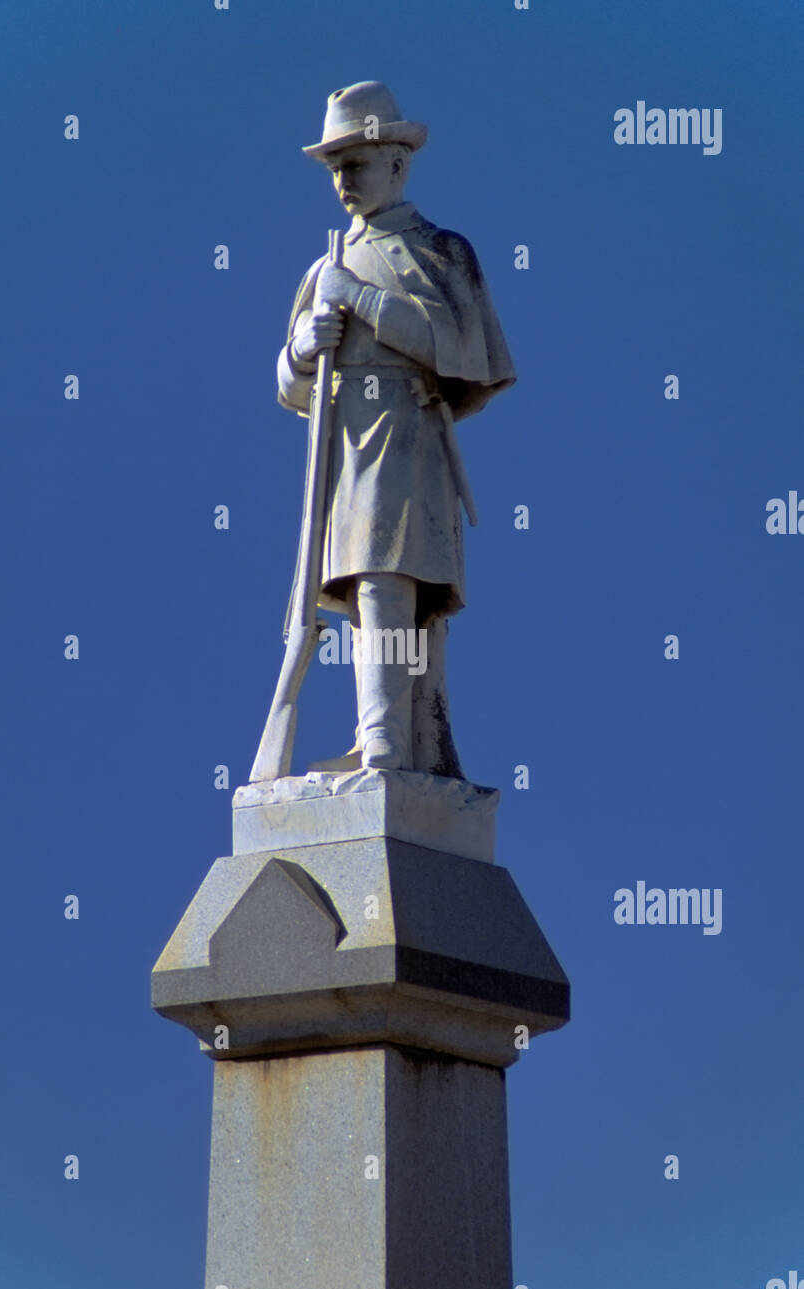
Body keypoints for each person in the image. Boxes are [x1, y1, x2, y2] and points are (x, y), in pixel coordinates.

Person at [278, 82, 516, 777]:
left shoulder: (439, 250)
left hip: (406, 436)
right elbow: (290, 387)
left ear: (396, 165)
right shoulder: (322, 266)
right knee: (361, 587)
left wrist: (358, 299)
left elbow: (459, 350)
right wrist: (303, 345)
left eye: (356, 162)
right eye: (335, 168)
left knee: (385, 579)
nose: (344, 180)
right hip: (342, 447)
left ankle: (386, 742)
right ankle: (382, 736)